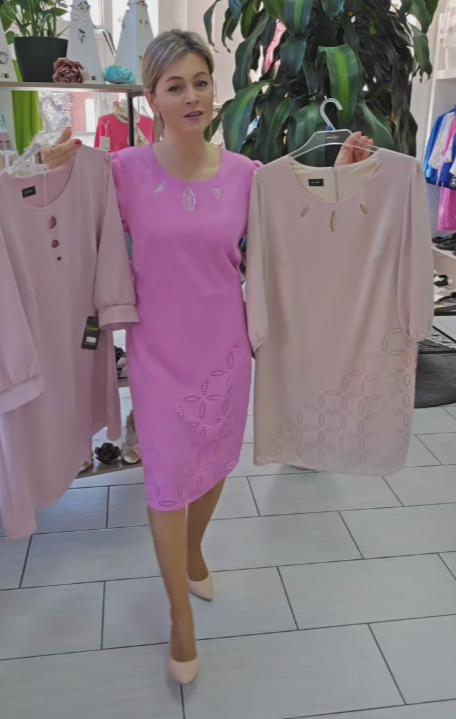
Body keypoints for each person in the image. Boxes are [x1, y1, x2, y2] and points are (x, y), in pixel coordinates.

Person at [43, 30, 374, 685]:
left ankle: (193, 550)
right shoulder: (122, 172)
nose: (192, 96)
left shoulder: (247, 175)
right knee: (166, 481)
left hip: (224, 348)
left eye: (201, 82)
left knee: (216, 460)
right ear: (152, 99)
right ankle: (178, 615)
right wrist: (56, 163)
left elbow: (300, 226)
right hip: (157, 354)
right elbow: (66, 219)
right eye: (176, 86)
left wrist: (340, 173)